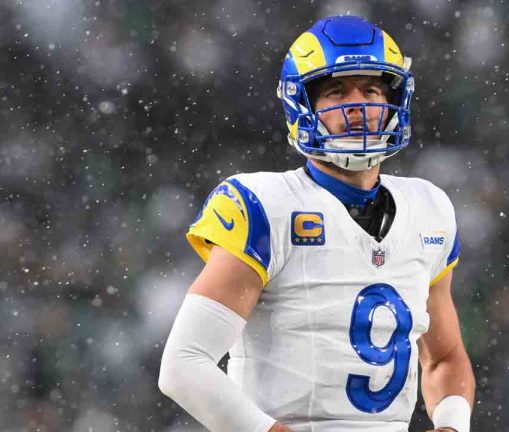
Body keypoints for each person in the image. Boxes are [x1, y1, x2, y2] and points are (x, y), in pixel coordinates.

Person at [158, 15, 475, 432]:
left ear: (394, 101)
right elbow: (183, 365)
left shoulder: (429, 209)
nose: (358, 106)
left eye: (373, 89)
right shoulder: (265, 207)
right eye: (337, 91)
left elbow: (445, 358)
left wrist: (452, 425)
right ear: (302, 105)